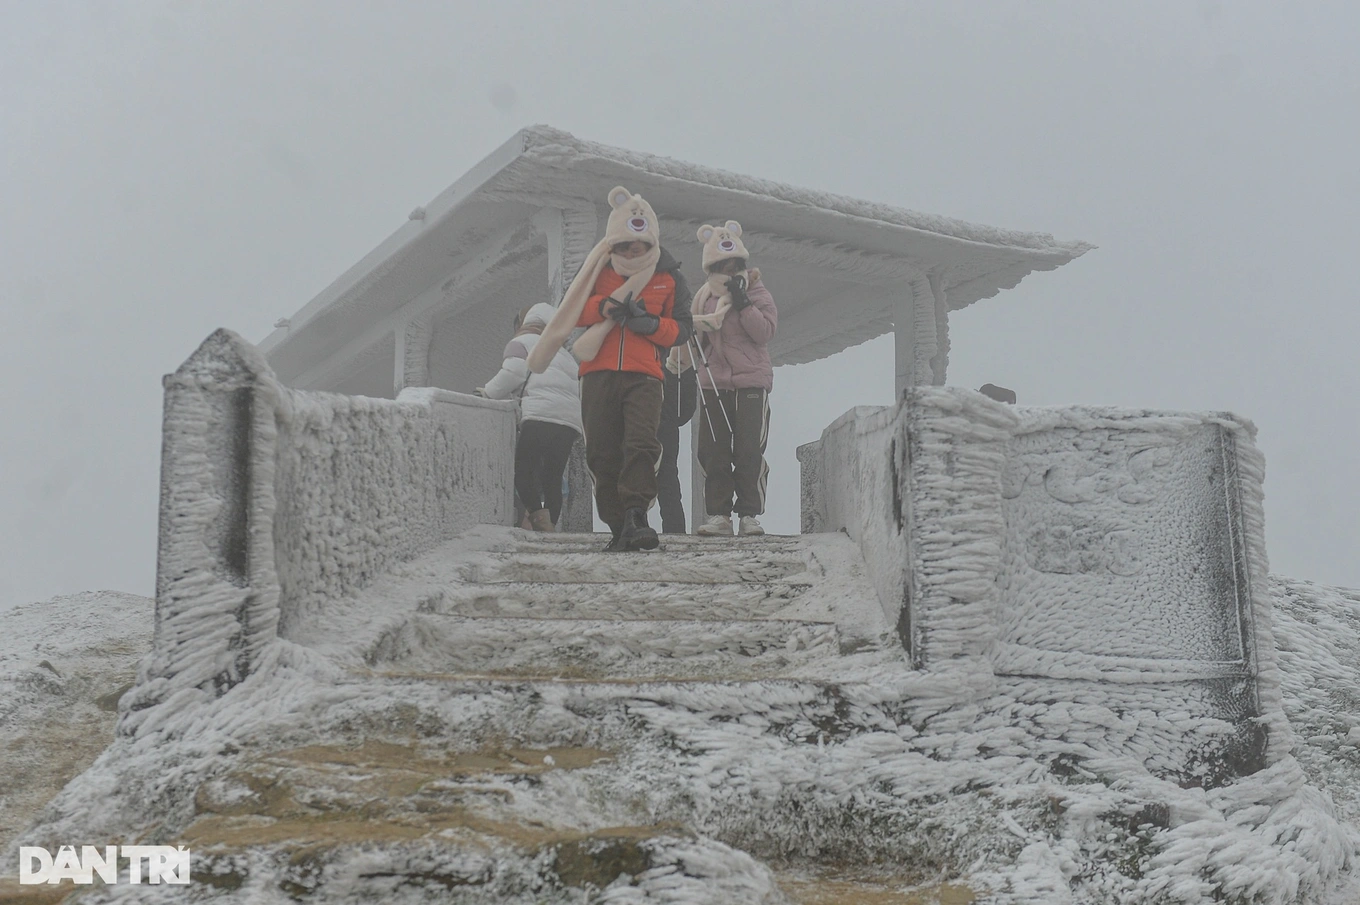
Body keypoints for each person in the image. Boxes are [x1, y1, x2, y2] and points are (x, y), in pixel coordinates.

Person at [526, 186, 692, 551]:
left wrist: (649, 325)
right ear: (613, 244)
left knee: (641, 444)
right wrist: (604, 308)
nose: (632, 252)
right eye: (625, 246)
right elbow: (571, 312)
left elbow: (682, 328)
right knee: (601, 452)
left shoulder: (670, 277)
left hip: (645, 374)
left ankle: (636, 513)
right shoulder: (596, 272)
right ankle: (618, 524)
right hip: (597, 373)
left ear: (652, 242)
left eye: (640, 246)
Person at [681, 221, 777, 537]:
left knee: (749, 449)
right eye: (721, 265)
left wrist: (744, 303)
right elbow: (697, 338)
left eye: (734, 263)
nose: (728, 269)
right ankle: (719, 514)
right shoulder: (704, 298)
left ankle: (749, 514)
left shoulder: (758, 291)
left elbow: (764, 333)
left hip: (751, 382)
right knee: (714, 450)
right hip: (714, 382)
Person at [480, 303, 583, 532]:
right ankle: (551, 525)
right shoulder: (565, 354)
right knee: (553, 477)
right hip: (569, 422)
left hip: (539, 415)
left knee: (522, 471)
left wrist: (488, 392)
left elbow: (512, 373)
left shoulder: (522, 342)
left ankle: (540, 522)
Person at [657, 362, 698, 534]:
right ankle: (674, 530)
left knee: (664, 479)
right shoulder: (678, 352)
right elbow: (686, 409)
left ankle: (633, 527)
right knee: (668, 481)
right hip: (666, 424)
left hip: (655, 422)